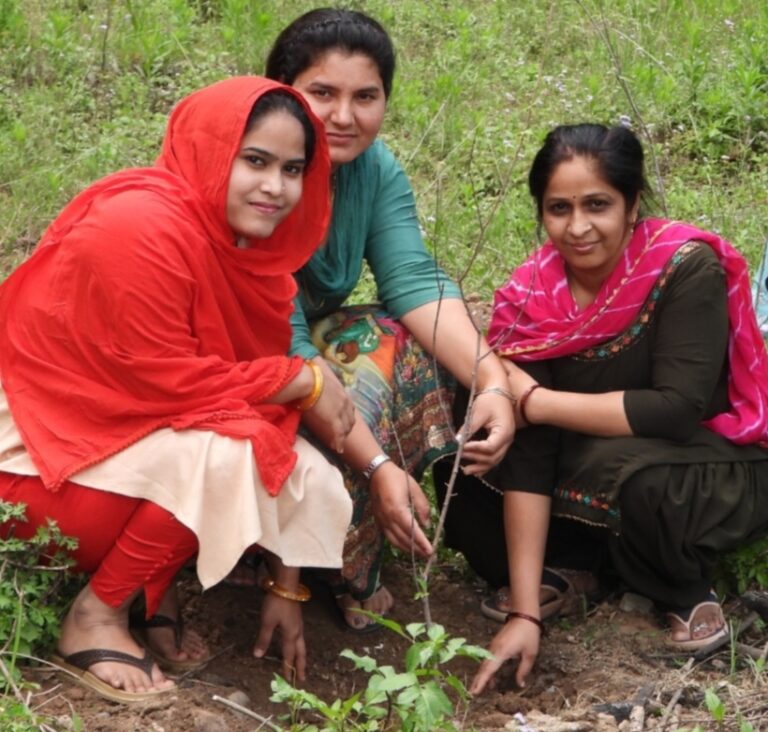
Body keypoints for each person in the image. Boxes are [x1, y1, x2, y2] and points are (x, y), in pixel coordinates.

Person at [0, 77, 355, 702]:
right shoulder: (138, 227)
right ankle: (96, 615)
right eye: (255, 160)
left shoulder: (241, 251)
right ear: (210, 149)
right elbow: (166, 384)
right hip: (33, 461)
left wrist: (286, 586)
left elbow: (224, 399)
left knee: (292, 458)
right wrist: (298, 377)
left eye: (293, 168)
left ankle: (146, 594)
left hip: (107, 439)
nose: (275, 186)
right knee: (239, 446)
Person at [433, 123, 768, 693]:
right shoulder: (532, 296)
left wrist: (535, 402)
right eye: (559, 208)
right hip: (588, 456)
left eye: (597, 205)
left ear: (632, 204)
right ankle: (568, 572)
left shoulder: (684, 268)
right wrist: (524, 615)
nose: (578, 226)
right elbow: (530, 447)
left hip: (704, 456)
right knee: (464, 468)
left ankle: (680, 588)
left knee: (645, 491)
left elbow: (675, 411)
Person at [261, 7, 516, 631]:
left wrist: (494, 382)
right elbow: (281, 339)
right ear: (281, 94)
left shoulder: (372, 170)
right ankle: (289, 561)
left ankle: (342, 554)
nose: (344, 116)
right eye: (322, 93)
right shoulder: (261, 177)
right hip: (243, 360)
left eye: (365, 96)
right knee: (340, 382)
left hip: (298, 351)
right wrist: (376, 464)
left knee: (401, 338)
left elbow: (412, 281)